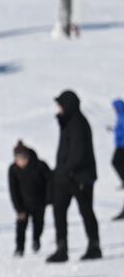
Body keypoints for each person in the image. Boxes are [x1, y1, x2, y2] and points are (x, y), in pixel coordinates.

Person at [47, 90, 101, 262]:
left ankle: (94, 246)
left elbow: (78, 153)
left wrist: (65, 170)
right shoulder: (67, 122)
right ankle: (61, 248)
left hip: (80, 177)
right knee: (59, 210)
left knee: (86, 211)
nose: (58, 109)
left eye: (61, 105)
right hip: (66, 177)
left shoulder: (78, 123)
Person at [9, 141, 51, 256]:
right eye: (18, 158)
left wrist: (48, 199)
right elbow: (13, 190)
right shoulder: (13, 170)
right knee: (21, 227)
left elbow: (50, 182)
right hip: (23, 203)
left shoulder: (40, 166)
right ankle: (19, 248)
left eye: (23, 158)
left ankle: (36, 240)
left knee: (38, 224)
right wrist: (19, 209)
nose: (20, 161)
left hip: (39, 202)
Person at [111, 98, 124, 221]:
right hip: (119, 145)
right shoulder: (120, 116)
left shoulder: (123, 116)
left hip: (122, 146)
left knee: (115, 161)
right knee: (115, 162)